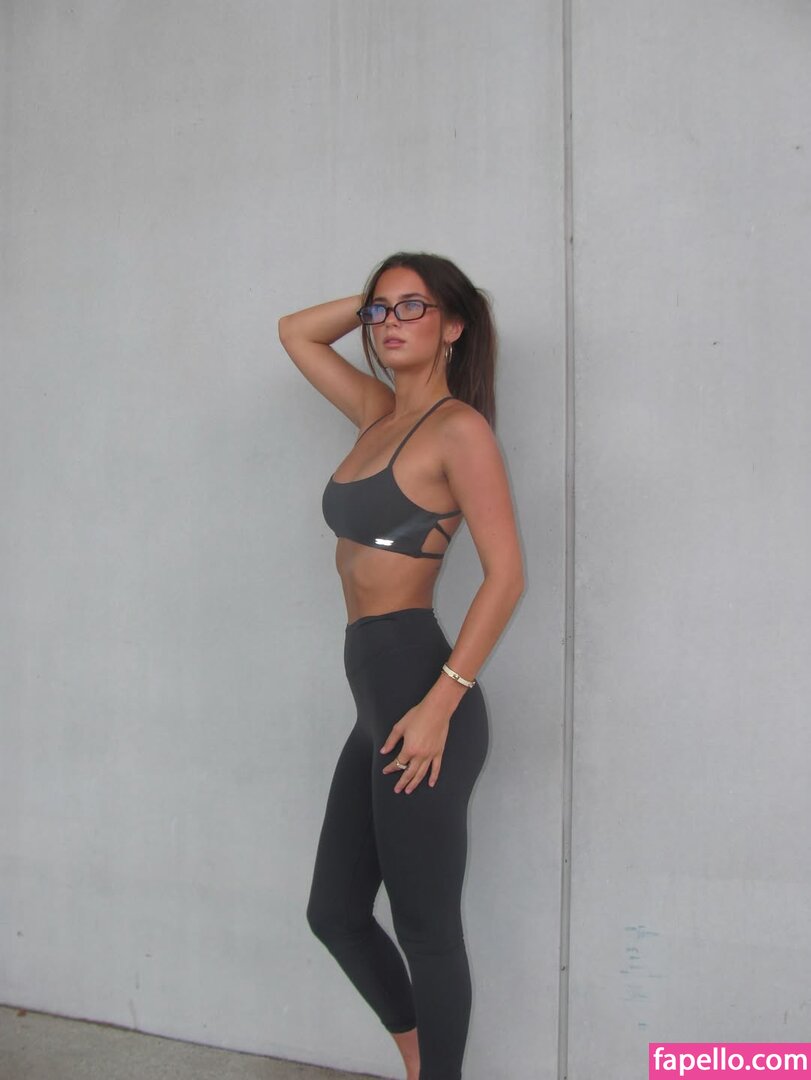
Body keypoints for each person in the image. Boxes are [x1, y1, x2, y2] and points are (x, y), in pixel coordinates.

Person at [278, 252, 523, 1080]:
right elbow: (294, 333)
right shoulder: (378, 413)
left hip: (421, 690)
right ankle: (421, 1064)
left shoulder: (459, 430)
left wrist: (439, 705)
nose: (389, 323)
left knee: (425, 928)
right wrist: (376, 300)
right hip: (375, 698)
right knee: (336, 913)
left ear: (454, 326)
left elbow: (506, 575)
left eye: (414, 308)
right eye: (380, 311)